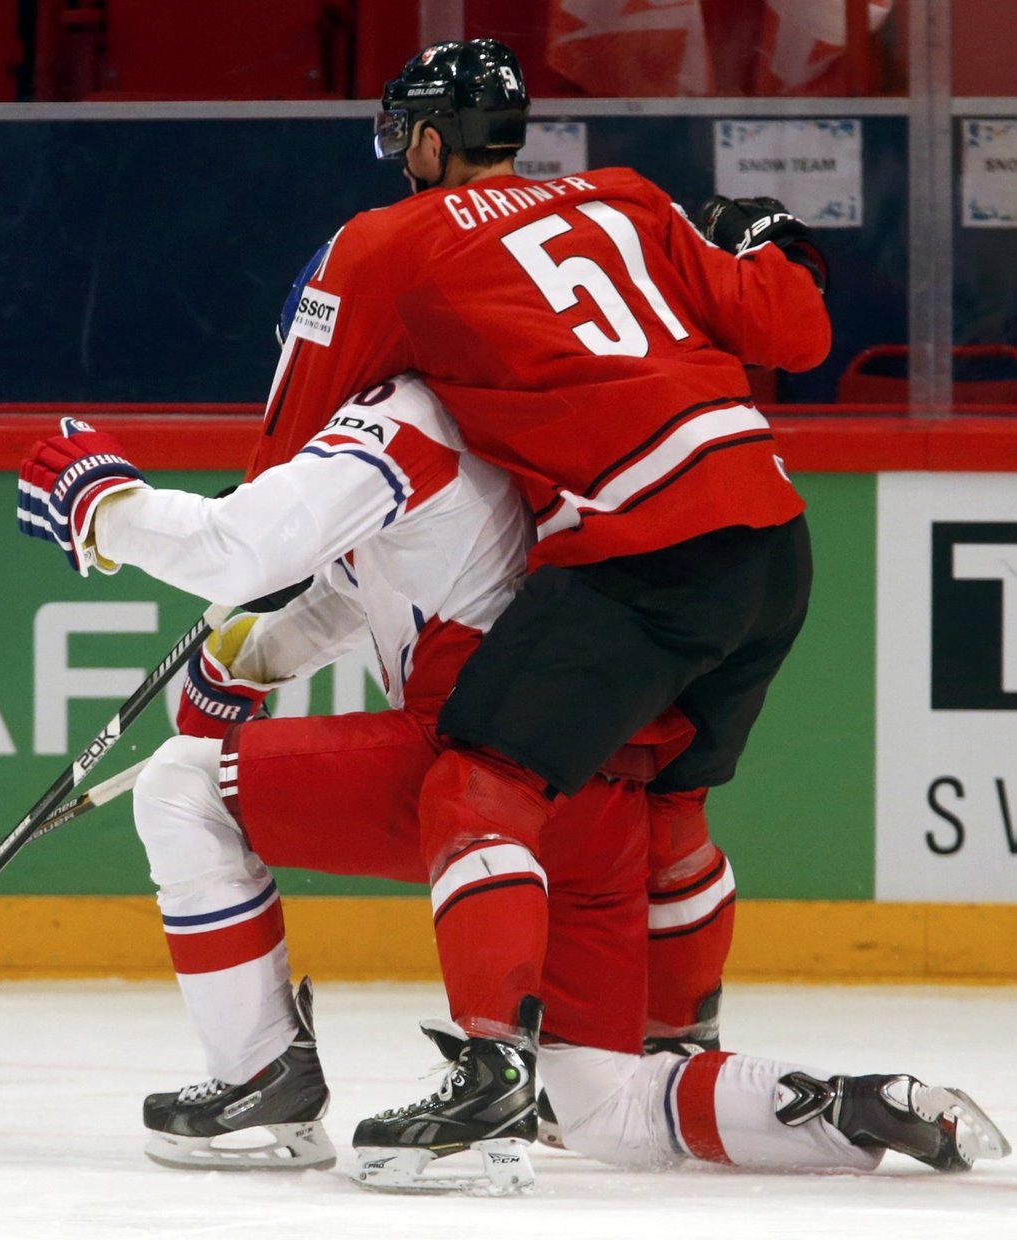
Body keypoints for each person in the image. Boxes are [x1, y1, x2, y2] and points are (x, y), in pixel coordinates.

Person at [16, 381, 1009, 1191]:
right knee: (601, 1103)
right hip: (599, 794)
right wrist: (250, 657)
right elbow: (369, 586)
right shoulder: (515, 421)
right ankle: (846, 1105)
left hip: (489, 765)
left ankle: (261, 1082)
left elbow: (238, 546)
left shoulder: (395, 421)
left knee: (182, 788)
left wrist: (105, 506)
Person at [235, 36, 831, 1159]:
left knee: (478, 777)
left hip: (647, 548)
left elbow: (284, 470)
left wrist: (255, 547)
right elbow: (796, 332)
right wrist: (777, 247)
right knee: (671, 805)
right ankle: (682, 1047)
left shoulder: (383, 243)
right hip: (776, 541)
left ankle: (489, 1066)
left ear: (420, 140)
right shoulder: (628, 196)